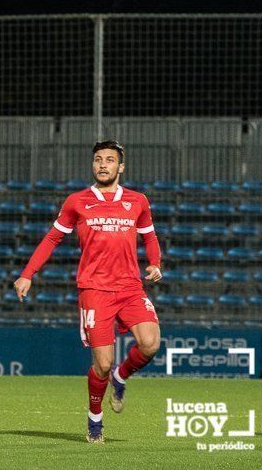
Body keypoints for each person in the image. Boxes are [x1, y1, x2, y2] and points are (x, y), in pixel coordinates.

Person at [13, 141, 163, 443]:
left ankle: (122, 377)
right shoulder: (77, 201)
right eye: (98, 160)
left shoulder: (137, 201)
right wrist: (27, 274)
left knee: (150, 345)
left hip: (131, 287)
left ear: (121, 167)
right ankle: (95, 419)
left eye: (109, 160)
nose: (103, 165)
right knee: (102, 364)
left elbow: (149, 235)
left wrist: (155, 263)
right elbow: (52, 238)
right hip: (95, 290)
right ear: (93, 166)